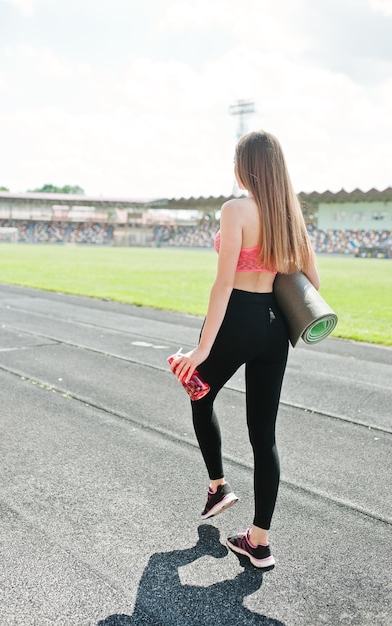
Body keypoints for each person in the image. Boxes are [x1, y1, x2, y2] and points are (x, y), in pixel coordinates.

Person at [169, 130, 320, 569]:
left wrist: (200, 350)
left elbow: (223, 284)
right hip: (274, 328)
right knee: (264, 437)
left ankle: (218, 486)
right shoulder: (291, 215)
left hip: (237, 317)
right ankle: (259, 541)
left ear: (244, 167)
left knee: (198, 389)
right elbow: (313, 282)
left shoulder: (234, 209)